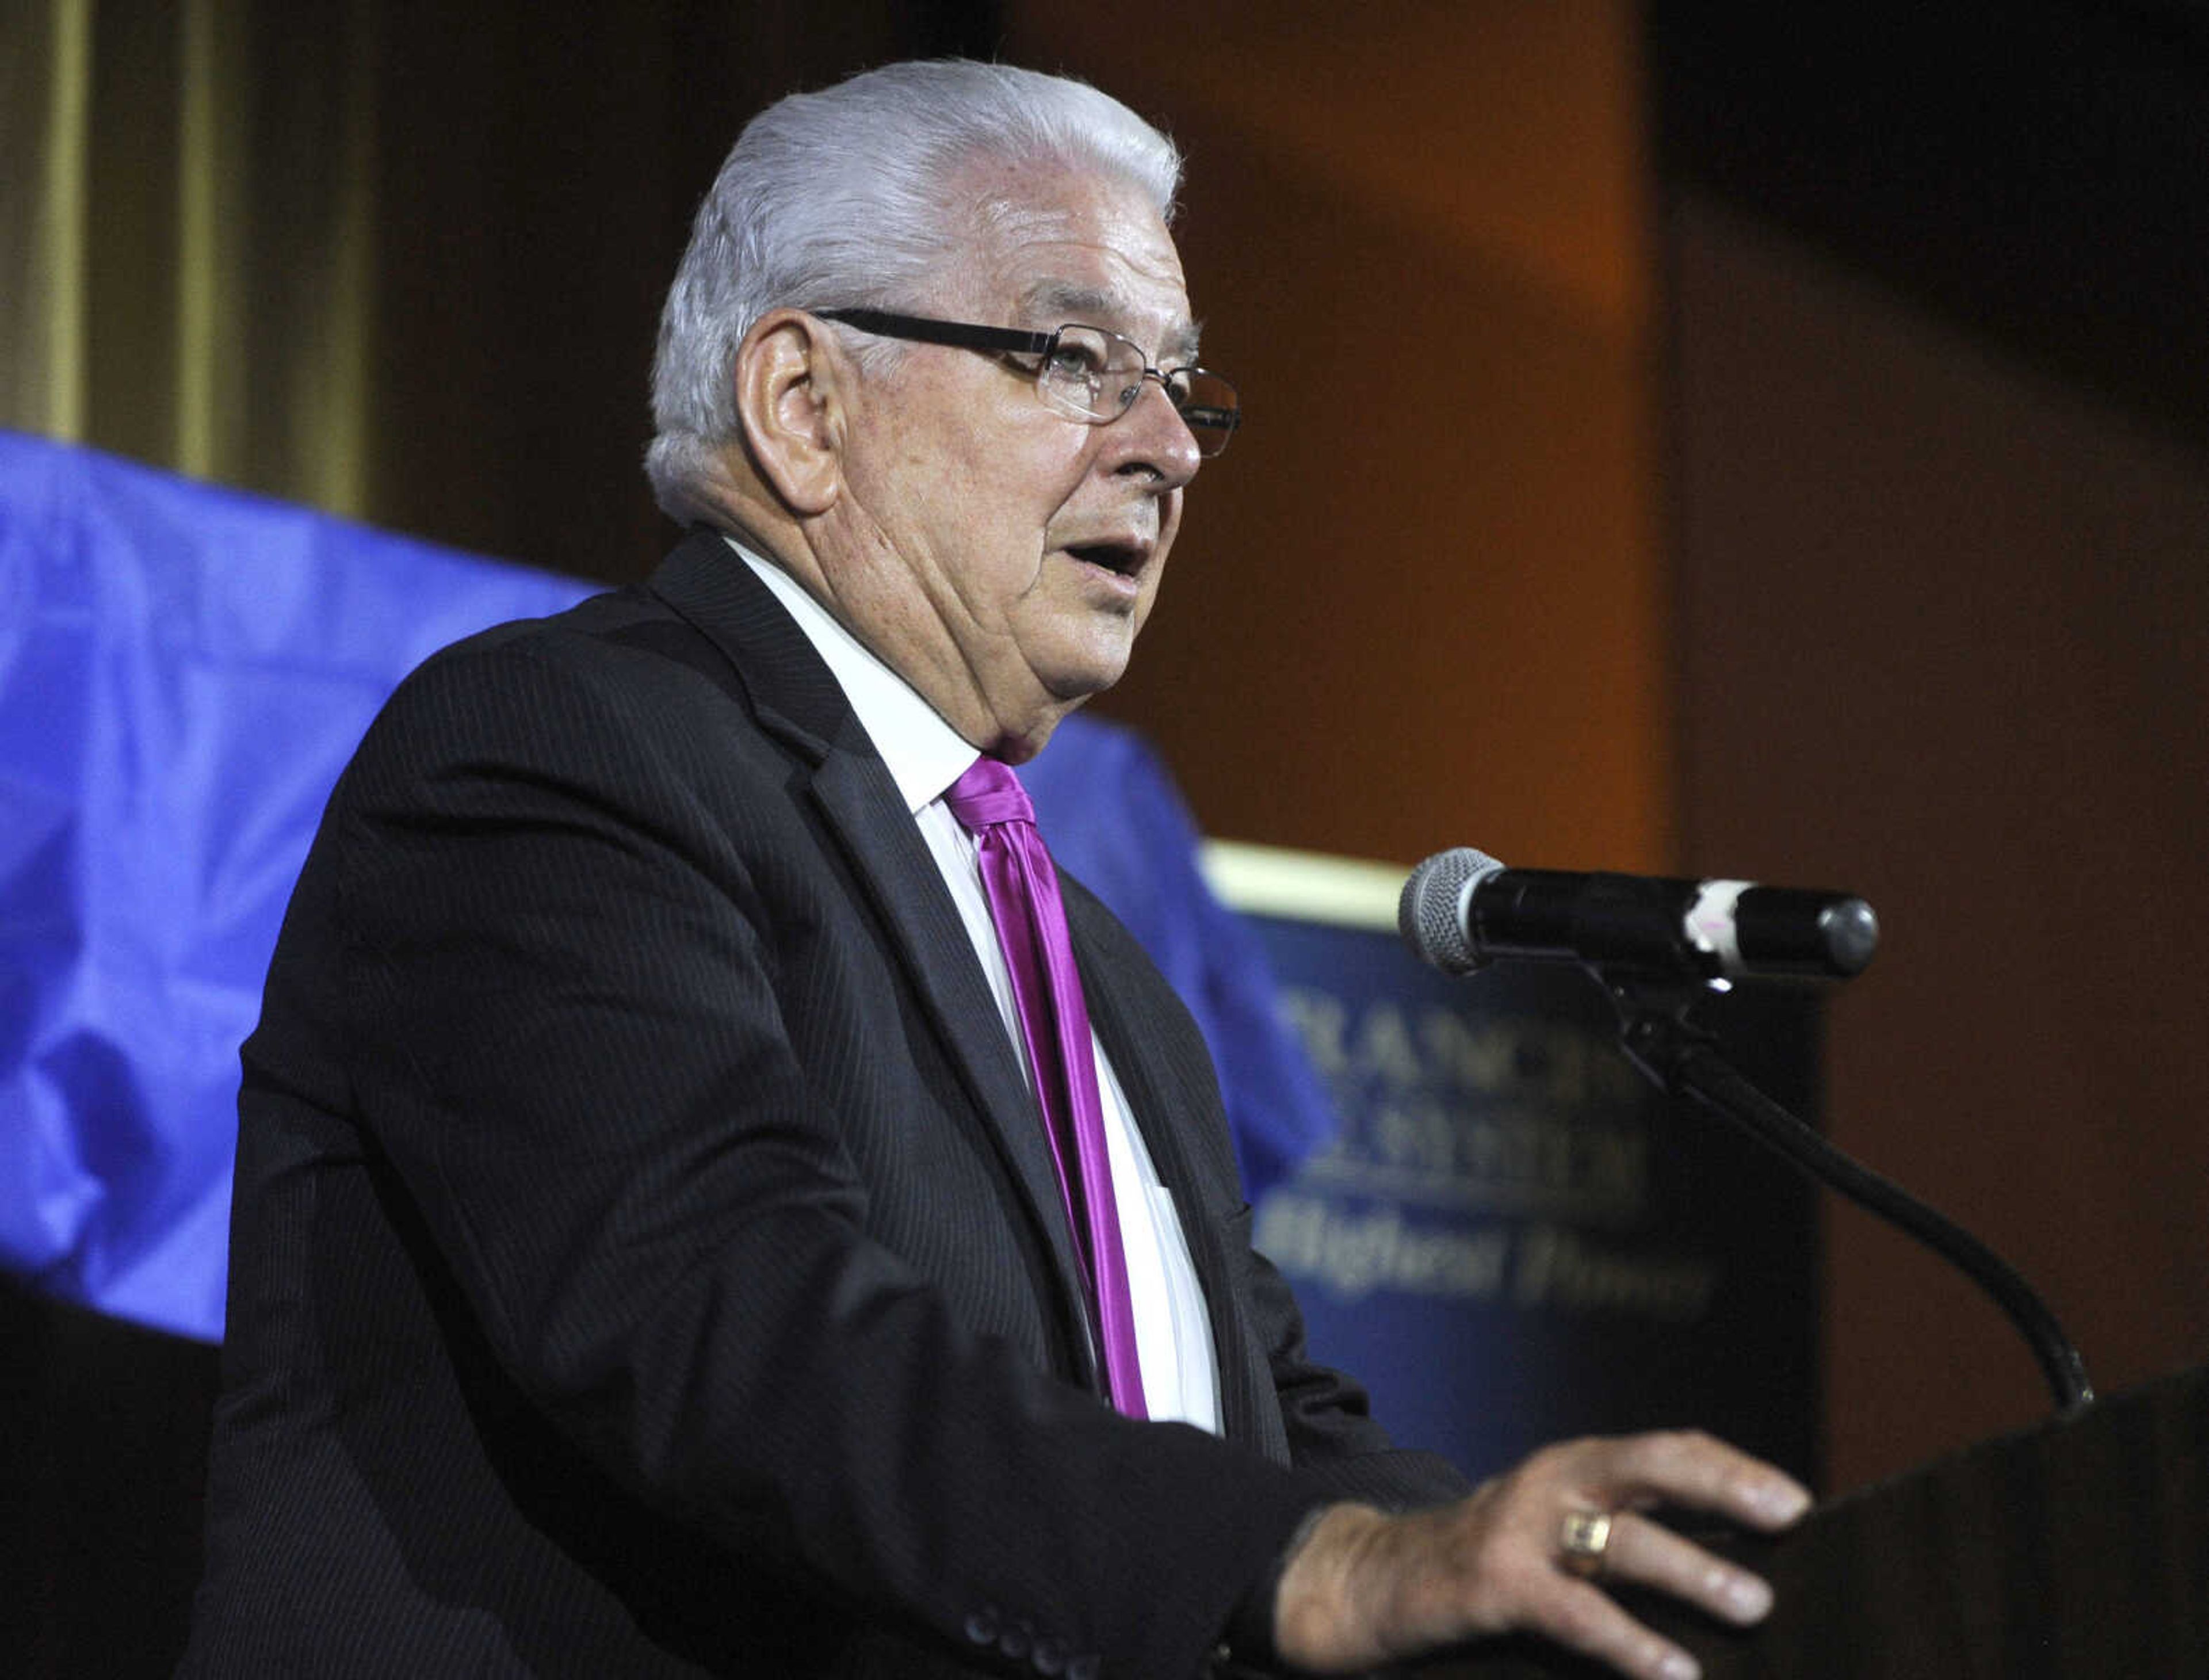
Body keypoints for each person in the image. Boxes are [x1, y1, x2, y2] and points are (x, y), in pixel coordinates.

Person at [181, 59, 1809, 1680]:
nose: (1170, 446)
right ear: (805, 407)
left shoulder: (1096, 965)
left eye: (1182, 385)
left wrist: (1551, 1596)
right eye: (1077, 360)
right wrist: (1316, 1568)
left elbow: (1267, 1424)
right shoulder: (555, 752)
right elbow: (734, 1313)